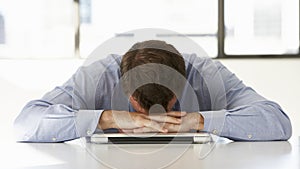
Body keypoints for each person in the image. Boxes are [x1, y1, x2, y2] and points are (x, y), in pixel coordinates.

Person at [14, 40, 292, 142]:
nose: (154, 122)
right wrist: (106, 118)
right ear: (127, 91)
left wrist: (200, 121)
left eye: (168, 108)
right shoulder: (98, 75)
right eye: (138, 108)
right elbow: (26, 122)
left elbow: (278, 122)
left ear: (181, 87)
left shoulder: (205, 73)